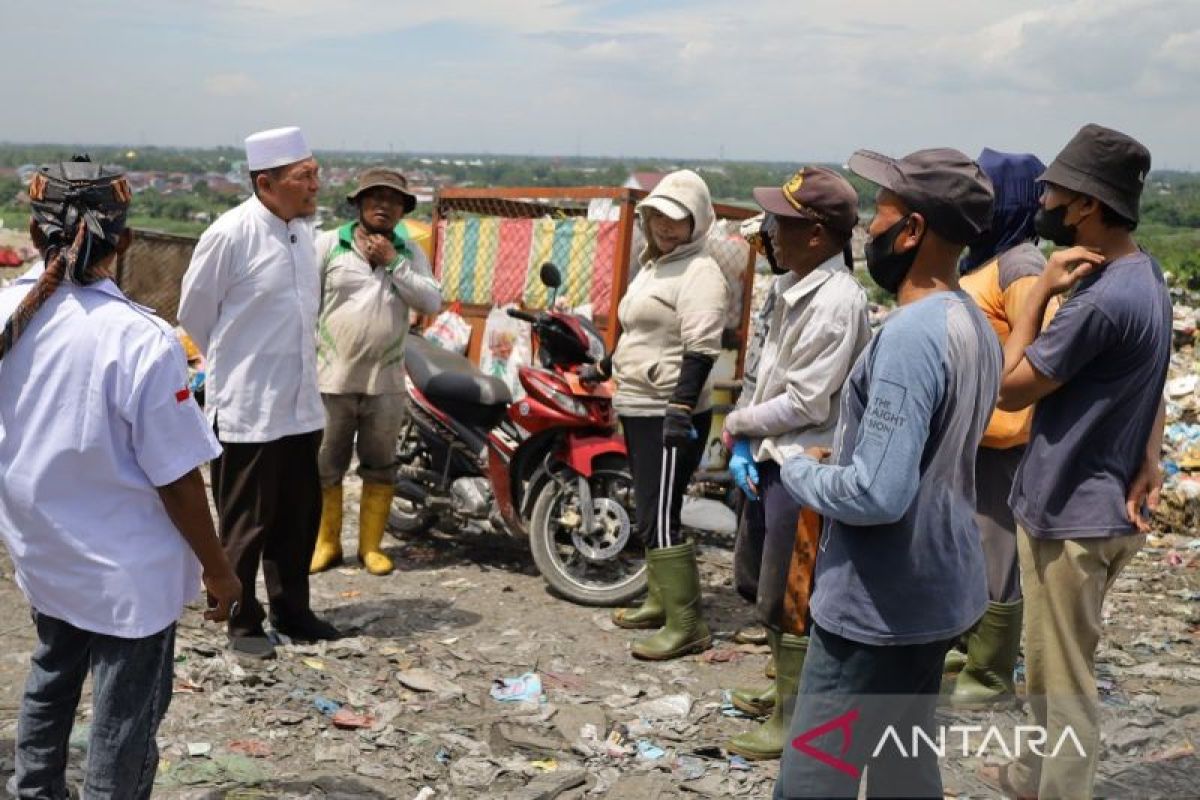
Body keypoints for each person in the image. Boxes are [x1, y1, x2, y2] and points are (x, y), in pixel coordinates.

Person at [0, 157, 241, 798]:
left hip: (43, 551)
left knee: (51, 675)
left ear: (32, 230)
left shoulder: (6, 314)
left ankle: (35, 789)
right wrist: (218, 569)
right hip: (127, 575)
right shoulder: (143, 339)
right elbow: (179, 480)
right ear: (124, 238)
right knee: (123, 715)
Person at [774, 148, 999, 799]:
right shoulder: (970, 321)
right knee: (904, 772)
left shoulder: (909, 337)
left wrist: (800, 472)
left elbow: (877, 492)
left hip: (876, 607)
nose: (869, 226)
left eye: (881, 211)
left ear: (913, 230)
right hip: (936, 593)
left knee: (814, 780)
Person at [983, 124, 1170, 800]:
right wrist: (1150, 456)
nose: (1045, 204)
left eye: (1054, 192)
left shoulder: (1099, 300)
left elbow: (1010, 388)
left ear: (1086, 205)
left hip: (1071, 518)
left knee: (1063, 686)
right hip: (1103, 503)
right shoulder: (1143, 274)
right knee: (1049, 666)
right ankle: (1034, 776)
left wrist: (1035, 299)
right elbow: (1149, 378)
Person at [722, 168, 871, 760]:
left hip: (803, 460)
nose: (770, 233)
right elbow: (766, 374)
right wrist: (743, 429)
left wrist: (739, 424)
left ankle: (793, 717)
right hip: (773, 454)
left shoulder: (836, 301)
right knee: (761, 578)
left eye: (781, 224)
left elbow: (808, 400)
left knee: (792, 594)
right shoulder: (796, 287)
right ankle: (785, 691)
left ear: (816, 235)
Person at [179, 126, 337, 660]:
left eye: (316, 172)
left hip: (299, 405)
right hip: (249, 405)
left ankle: (294, 611)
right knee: (246, 522)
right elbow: (194, 314)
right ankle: (242, 619)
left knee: (297, 519)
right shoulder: (231, 234)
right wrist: (236, 364)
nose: (317, 184)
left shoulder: (304, 236)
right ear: (266, 182)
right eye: (305, 176)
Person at [592, 169, 729, 661]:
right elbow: (636, 328)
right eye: (657, 219)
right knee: (653, 507)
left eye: (677, 221)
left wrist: (678, 409)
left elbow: (702, 347)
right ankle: (659, 599)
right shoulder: (653, 266)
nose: (666, 229)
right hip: (639, 401)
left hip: (668, 408)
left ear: (698, 222)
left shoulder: (701, 272)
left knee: (659, 512)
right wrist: (606, 365)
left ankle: (687, 624)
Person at [945, 148, 1052, 707]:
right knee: (969, 541)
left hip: (1005, 435)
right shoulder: (986, 259)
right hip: (977, 433)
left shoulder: (1021, 266)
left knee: (997, 547)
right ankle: (970, 644)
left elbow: (1039, 352)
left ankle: (990, 672)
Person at [309, 168, 442, 576]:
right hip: (331, 378)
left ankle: (371, 548)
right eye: (375, 197)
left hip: (385, 382)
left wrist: (392, 262)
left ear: (403, 209)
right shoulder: (329, 245)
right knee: (324, 464)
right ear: (359, 204)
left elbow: (431, 301)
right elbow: (304, 305)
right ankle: (327, 542)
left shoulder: (409, 251)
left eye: (392, 199)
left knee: (380, 463)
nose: (383, 205)